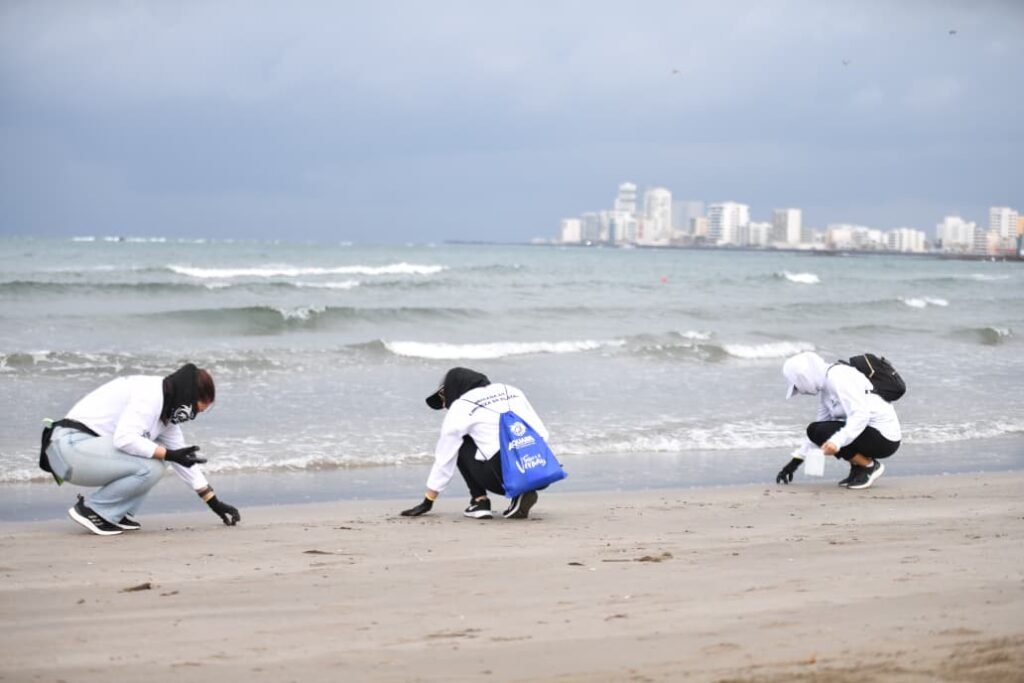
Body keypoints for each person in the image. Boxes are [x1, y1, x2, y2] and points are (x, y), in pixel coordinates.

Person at [40, 363, 241, 536]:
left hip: (79, 452)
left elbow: (183, 459)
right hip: (69, 450)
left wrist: (214, 503)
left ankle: (116, 512)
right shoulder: (151, 396)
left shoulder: (167, 410)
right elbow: (124, 439)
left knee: (158, 457)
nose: (192, 416)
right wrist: (169, 454)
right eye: (195, 410)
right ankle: (94, 511)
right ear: (187, 397)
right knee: (154, 463)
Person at [400, 367, 550, 520]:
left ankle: (480, 501)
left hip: (502, 477)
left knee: (459, 441)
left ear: (451, 389)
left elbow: (445, 457)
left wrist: (428, 501)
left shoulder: (461, 406)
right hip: (540, 468)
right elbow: (542, 432)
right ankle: (523, 489)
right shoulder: (511, 390)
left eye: (443, 397)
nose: (445, 405)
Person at [777, 351, 901, 490]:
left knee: (823, 432)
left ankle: (868, 466)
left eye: (797, 386)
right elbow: (818, 429)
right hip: (870, 434)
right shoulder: (826, 385)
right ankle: (859, 467)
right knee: (816, 429)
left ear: (804, 377)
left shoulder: (839, 377)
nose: (800, 391)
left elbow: (861, 415)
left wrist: (836, 442)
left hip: (884, 439)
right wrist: (795, 462)